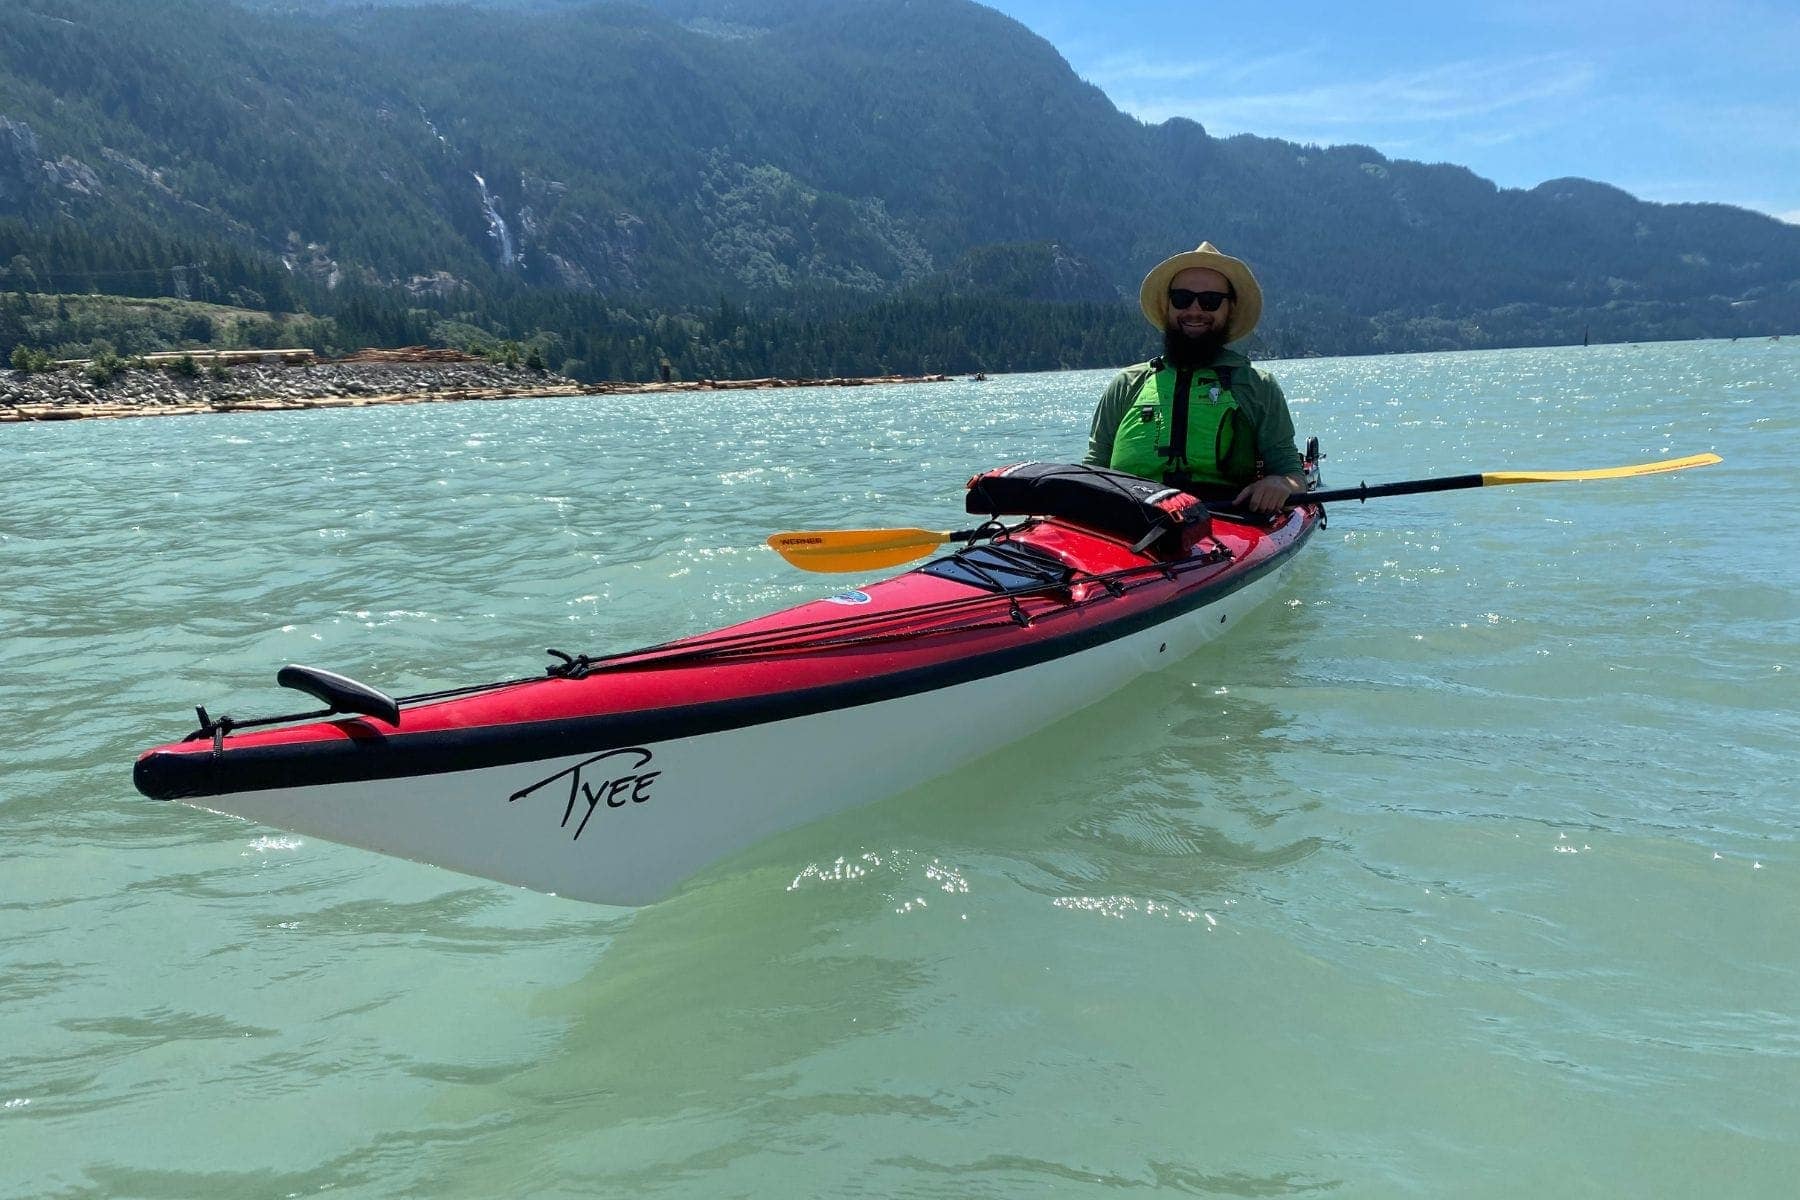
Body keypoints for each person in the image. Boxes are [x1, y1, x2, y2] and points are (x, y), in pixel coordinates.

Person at [1084, 242, 1304, 513]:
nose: (1195, 310)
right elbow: (1092, 468)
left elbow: (1292, 474)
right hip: (1130, 518)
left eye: (1210, 300)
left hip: (1226, 516)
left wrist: (1280, 484)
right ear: (1168, 305)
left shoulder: (1257, 386)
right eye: (1182, 298)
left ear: (1230, 308)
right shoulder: (1127, 384)